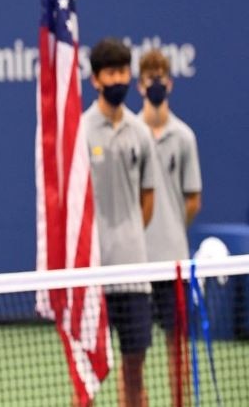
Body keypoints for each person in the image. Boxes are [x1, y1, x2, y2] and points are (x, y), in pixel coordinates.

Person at [82, 38, 158, 407]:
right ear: (96, 79)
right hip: (89, 275)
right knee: (87, 379)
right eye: (111, 72)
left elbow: (148, 201)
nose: (119, 79)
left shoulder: (141, 133)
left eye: (124, 71)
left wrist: (126, 235)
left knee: (134, 371)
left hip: (134, 273)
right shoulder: (79, 131)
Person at [137, 49, 202, 407]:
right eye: (150, 76)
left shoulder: (185, 137)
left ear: (170, 83)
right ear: (140, 84)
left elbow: (192, 200)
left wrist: (172, 230)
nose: (157, 82)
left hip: (175, 262)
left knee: (178, 350)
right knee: (136, 355)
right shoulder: (129, 133)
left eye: (162, 75)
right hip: (137, 264)